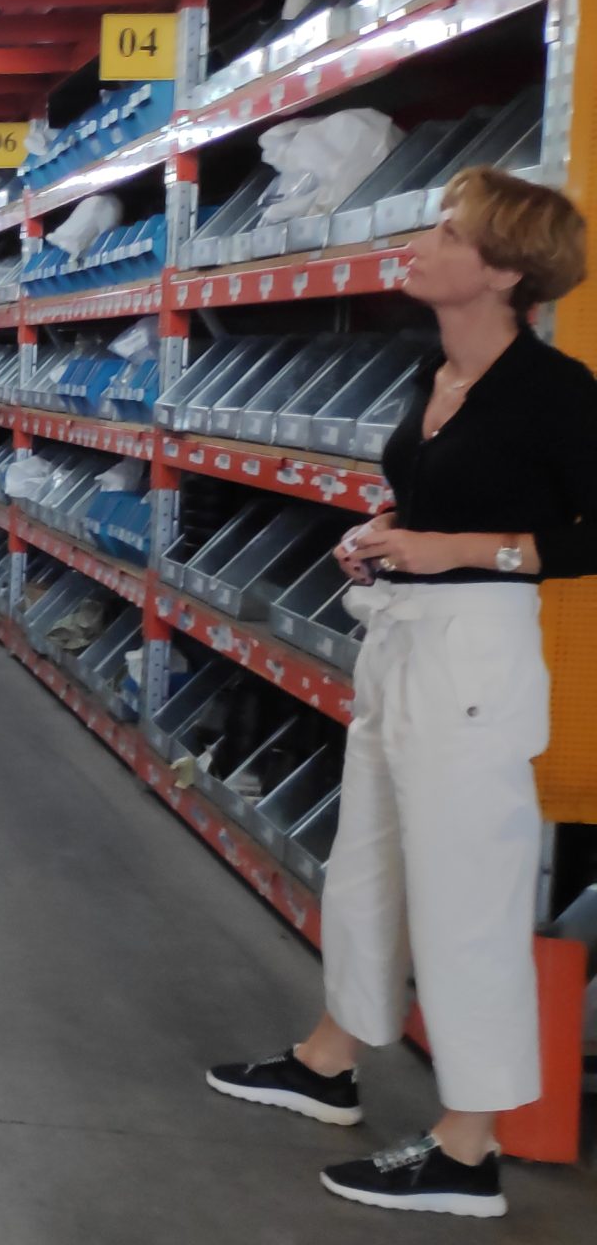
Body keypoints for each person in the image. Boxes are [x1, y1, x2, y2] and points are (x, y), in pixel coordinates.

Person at [207, 167, 597, 1219]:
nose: (419, 245)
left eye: (448, 233)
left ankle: (467, 1150)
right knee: (368, 868)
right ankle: (328, 1061)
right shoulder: (434, 372)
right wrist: (382, 535)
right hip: (400, 639)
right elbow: (430, 498)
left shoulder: (556, 392)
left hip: (475, 656)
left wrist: (461, 549)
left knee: (467, 899)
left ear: (503, 272)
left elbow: (583, 534)